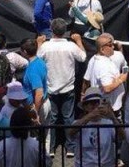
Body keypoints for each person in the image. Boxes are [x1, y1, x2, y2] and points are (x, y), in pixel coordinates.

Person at [37, 18, 87, 157]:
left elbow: (35, 58)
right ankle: (70, 148)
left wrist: (39, 44)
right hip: (67, 88)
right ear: (65, 31)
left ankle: (51, 148)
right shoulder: (71, 46)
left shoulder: (45, 47)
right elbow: (83, 57)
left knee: (51, 119)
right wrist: (79, 41)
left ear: (51, 30)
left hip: (51, 87)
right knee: (68, 118)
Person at [68, 87, 124, 167]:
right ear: (85, 106)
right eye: (91, 103)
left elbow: (122, 137)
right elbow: (70, 133)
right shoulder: (79, 123)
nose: (95, 106)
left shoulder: (109, 123)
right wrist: (90, 116)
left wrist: (113, 117)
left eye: (97, 102)